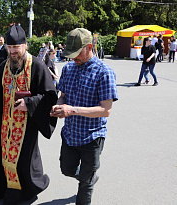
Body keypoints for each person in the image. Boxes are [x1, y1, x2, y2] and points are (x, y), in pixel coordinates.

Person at [0, 25, 58, 204]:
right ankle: (4, 189)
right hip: (7, 122)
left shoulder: (36, 65)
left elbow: (50, 95)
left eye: (16, 48)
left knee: (23, 161)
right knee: (4, 157)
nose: (13, 52)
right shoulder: (5, 65)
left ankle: (26, 191)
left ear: (25, 46)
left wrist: (29, 104)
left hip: (27, 124)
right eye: (10, 48)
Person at [50, 28, 118, 205]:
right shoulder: (69, 68)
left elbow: (106, 110)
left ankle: (88, 177)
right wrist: (59, 104)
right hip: (70, 134)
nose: (73, 58)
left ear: (89, 47)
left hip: (92, 137)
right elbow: (63, 95)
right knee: (67, 169)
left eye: (77, 53)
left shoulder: (104, 72)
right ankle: (89, 175)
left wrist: (72, 110)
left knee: (85, 185)